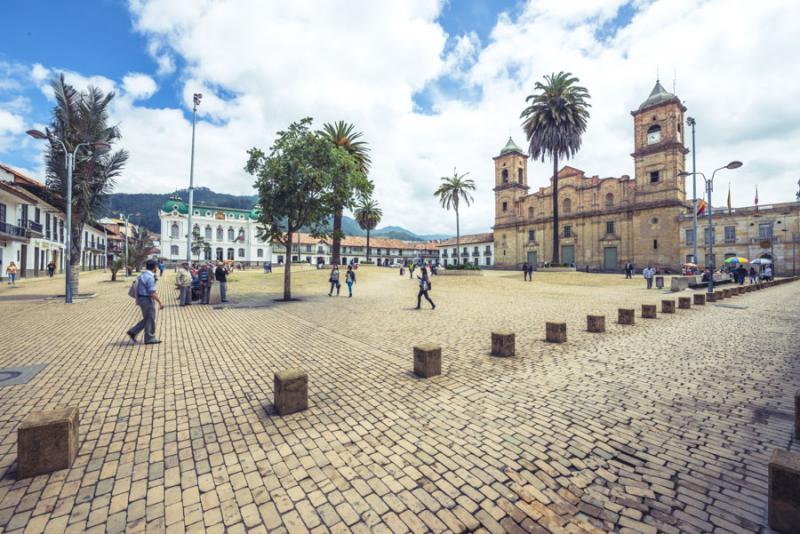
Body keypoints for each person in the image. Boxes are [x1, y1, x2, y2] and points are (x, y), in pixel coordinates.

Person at [127, 259, 164, 345]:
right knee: (150, 318)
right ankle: (149, 338)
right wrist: (160, 302)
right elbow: (152, 292)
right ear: (154, 267)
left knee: (148, 318)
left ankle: (133, 332)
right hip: (147, 299)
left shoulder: (142, 274)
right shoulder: (150, 277)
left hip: (141, 298)